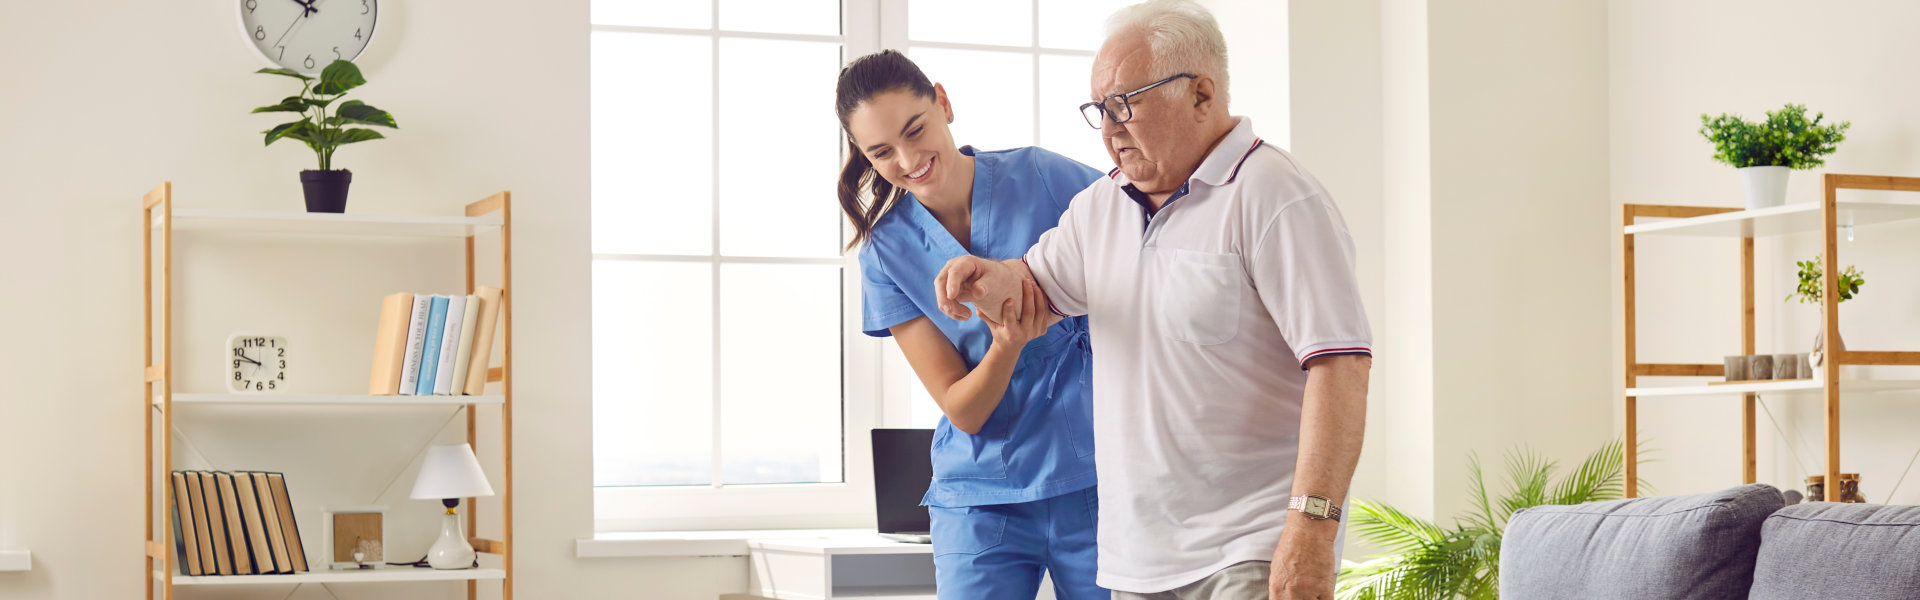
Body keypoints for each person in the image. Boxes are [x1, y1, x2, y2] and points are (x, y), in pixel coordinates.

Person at [931, 2, 1374, 599]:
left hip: (1250, 552)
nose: (1109, 128)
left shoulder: (1276, 197)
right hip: (1134, 563)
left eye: (1125, 103)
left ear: (1201, 94)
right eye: (1099, 110)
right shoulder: (1100, 206)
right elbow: (1032, 290)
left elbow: (1340, 366)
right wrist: (983, 278)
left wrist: (1312, 531)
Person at [834, 49, 1106, 600]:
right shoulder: (885, 254)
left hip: (1097, 479)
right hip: (981, 497)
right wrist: (1007, 343)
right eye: (882, 152)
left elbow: (1145, 249)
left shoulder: (1045, 177)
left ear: (944, 102)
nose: (910, 159)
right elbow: (963, 408)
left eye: (916, 129)